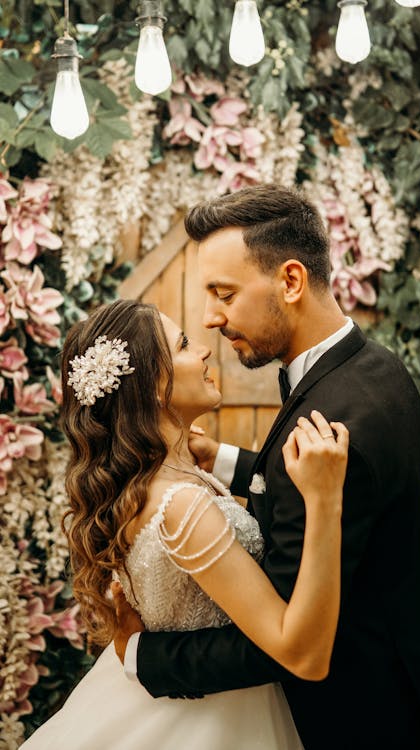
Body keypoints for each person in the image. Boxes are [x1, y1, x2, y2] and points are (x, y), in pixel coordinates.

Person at [113, 184, 420, 750]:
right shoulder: (371, 367)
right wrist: (225, 460)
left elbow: (283, 637)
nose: (210, 319)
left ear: (290, 281)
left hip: (367, 719)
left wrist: (144, 657)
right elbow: (296, 492)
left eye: (224, 293)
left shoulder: (335, 418)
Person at [20, 298, 349, 750]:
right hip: (210, 724)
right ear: (156, 385)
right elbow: (299, 652)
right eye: (185, 344)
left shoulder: (152, 482)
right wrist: (326, 499)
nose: (205, 351)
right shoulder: (182, 507)